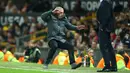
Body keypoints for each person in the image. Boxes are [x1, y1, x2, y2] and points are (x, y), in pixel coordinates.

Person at [96, 0, 117, 72]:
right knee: (109, 47)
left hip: (104, 28)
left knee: (103, 46)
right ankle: (113, 66)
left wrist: (102, 26)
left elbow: (105, 16)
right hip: (107, 28)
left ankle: (108, 65)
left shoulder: (104, 3)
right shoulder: (107, 3)